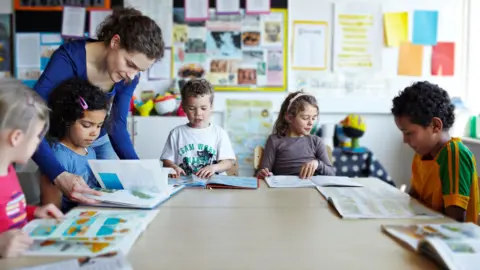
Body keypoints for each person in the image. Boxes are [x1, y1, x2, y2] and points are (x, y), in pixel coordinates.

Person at [31, 7, 165, 205]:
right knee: (61, 200)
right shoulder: (68, 58)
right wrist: (58, 174)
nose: (131, 75)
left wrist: (141, 172)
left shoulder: (129, 77)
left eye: (139, 70)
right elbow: (31, 117)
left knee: (109, 199)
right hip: (63, 140)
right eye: (130, 64)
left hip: (100, 141)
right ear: (115, 42)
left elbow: (117, 126)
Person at [391, 81, 479, 223]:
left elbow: (454, 221)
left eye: (408, 133)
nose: (405, 141)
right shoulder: (422, 154)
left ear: (435, 126)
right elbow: (413, 200)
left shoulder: (454, 154)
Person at [0, 79, 63, 258]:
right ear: (17, 137)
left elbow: (8, 213)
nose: (38, 143)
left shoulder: (8, 170)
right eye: (37, 136)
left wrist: (33, 212)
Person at [40, 78, 110, 213]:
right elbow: (51, 209)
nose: (94, 132)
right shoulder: (58, 156)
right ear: (67, 120)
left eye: (99, 126)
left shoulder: (89, 149)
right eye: (87, 125)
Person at [161, 79, 235, 178]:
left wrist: (214, 168)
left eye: (203, 108)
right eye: (192, 108)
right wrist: (174, 167)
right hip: (185, 185)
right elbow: (166, 160)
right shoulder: (176, 133)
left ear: (211, 106)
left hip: (213, 186)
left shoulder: (219, 133)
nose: (198, 113)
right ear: (183, 107)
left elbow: (228, 162)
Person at [257, 91, 335, 179]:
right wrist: (263, 174)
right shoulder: (274, 140)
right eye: (305, 118)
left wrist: (318, 164)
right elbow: (263, 172)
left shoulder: (316, 141)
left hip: (310, 190)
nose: (310, 123)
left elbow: (332, 174)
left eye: (313, 118)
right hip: (282, 190)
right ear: (289, 117)